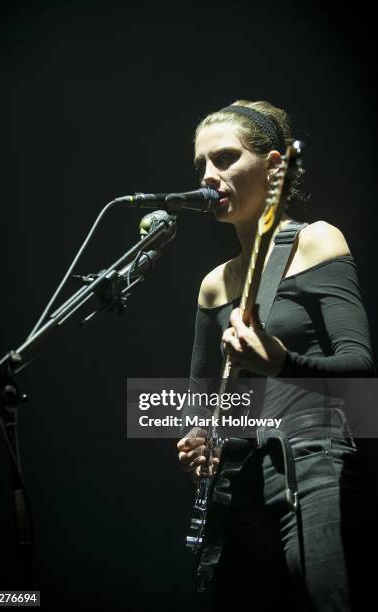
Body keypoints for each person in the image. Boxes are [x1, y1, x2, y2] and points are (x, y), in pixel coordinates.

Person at [176, 100, 376, 611]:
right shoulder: (214, 285)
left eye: (224, 158)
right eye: (201, 164)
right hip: (240, 495)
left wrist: (282, 362)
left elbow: (360, 369)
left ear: (273, 167)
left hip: (314, 470)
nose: (209, 175)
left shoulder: (315, 241)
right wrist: (201, 441)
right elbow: (203, 409)